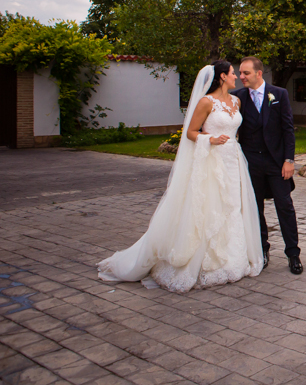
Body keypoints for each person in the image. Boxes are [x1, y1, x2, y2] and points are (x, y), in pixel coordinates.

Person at [98, 62, 264, 292]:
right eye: (233, 73)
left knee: (233, 206)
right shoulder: (206, 102)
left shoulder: (236, 101)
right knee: (211, 207)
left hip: (234, 160)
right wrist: (210, 140)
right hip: (212, 161)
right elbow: (190, 132)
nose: (237, 76)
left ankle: (233, 257)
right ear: (223, 76)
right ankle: (206, 261)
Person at [234, 56, 302, 275]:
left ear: (259, 74)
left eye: (245, 73)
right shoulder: (238, 97)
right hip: (251, 162)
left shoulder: (279, 94)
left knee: (285, 207)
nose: (241, 77)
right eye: (240, 73)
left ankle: (293, 254)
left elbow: (288, 129)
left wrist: (289, 160)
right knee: (255, 209)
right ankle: (262, 251)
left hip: (276, 163)